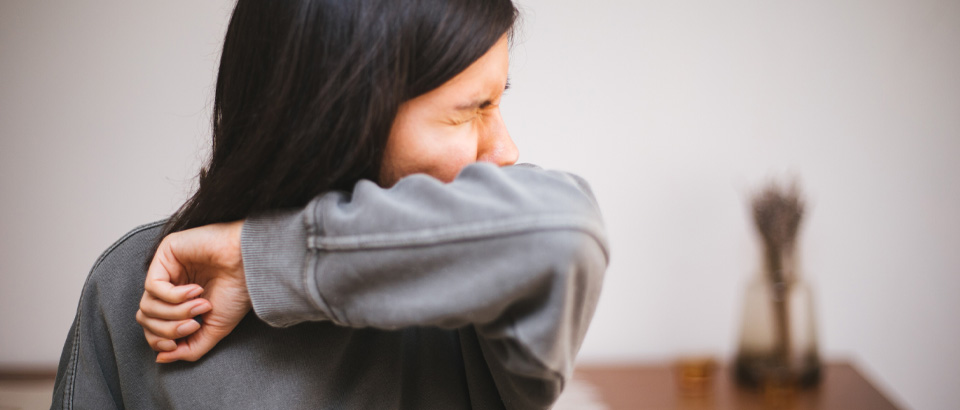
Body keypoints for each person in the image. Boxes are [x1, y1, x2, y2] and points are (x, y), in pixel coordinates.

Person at [51, 0, 609, 409]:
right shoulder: (138, 284)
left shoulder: (480, 292)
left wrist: (258, 262)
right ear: (341, 115)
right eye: (470, 110)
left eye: (499, 101)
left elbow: (563, 232)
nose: (506, 149)